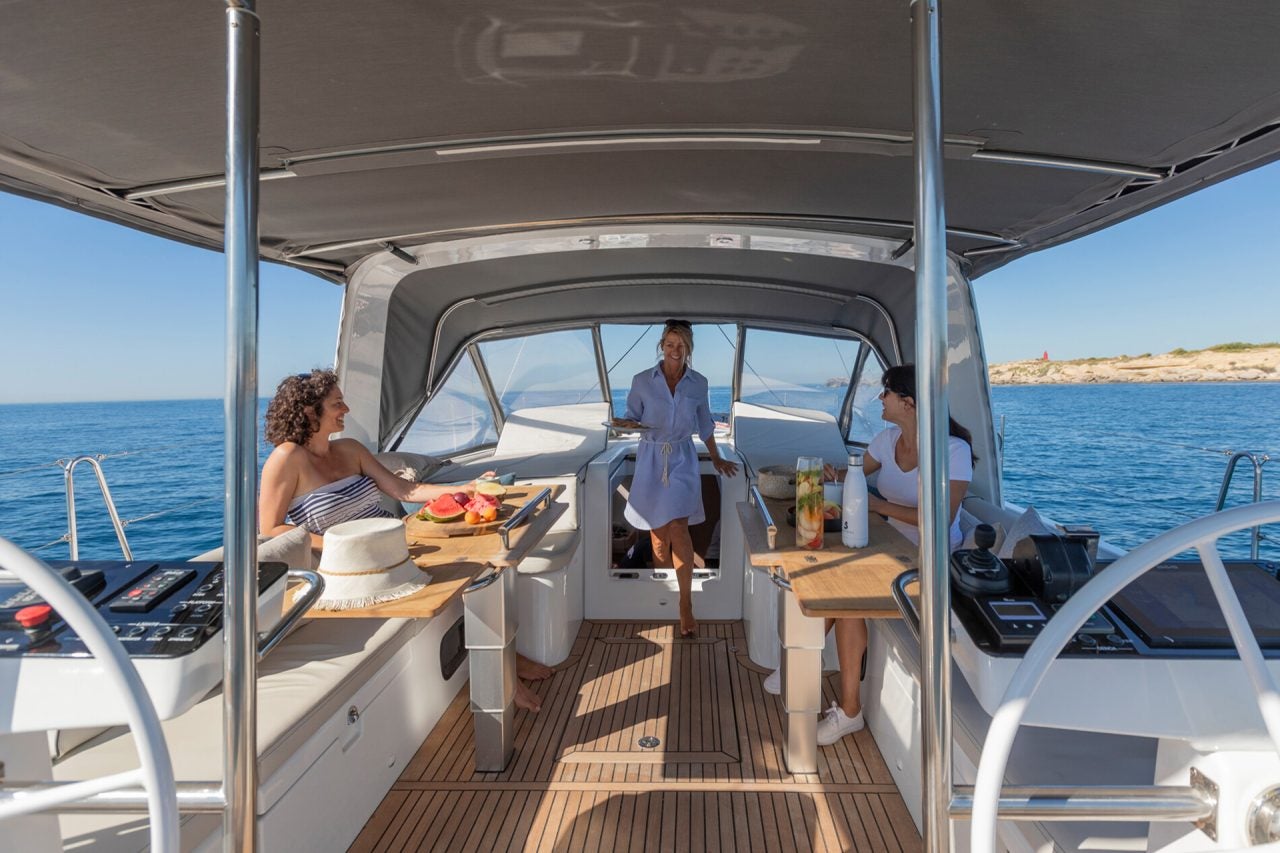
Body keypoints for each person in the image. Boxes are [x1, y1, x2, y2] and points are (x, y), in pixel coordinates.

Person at [260, 369, 553, 710]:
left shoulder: (350, 449)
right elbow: (272, 528)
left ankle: (507, 657)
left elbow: (405, 489)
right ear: (310, 411)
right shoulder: (287, 458)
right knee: (464, 581)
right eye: (337, 403)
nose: (347, 409)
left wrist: (464, 488)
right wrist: (345, 545)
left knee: (483, 570)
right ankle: (504, 672)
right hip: (351, 567)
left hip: (398, 545)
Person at [765, 364, 975, 745]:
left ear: (908, 402)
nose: (881, 399)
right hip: (885, 547)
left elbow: (939, 520)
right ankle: (800, 663)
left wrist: (879, 507)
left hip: (928, 564)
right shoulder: (886, 439)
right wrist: (834, 474)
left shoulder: (952, 450)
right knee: (827, 579)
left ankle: (848, 712)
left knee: (847, 599)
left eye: (886, 393)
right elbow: (855, 473)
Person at [613, 320, 738, 637]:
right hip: (650, 458)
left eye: (681, 345)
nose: (675, 350)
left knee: (679, 527)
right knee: (657, 534)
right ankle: (664, 594)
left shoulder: (699, 383)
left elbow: (706, 424)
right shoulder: (642, 381)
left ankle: (685, 604)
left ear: (689, 348)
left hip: (682, 458)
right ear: (662, 345)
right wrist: (622, 423)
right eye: (670, 344)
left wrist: (718, 457)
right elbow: (633, 418)